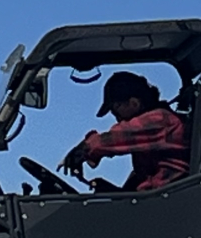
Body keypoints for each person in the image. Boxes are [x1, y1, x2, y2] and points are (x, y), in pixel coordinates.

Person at [58, 70, 188, 191]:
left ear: (134, 103)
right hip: (159, 199)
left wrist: (82, 150)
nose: (115, 116)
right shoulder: (156, 126)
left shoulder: (159, 121)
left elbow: (109, 140)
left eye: (116, 108)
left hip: (164, 202)